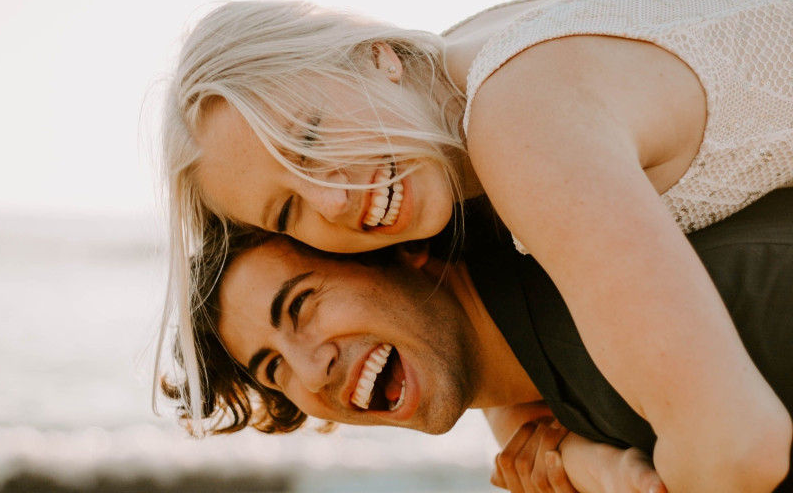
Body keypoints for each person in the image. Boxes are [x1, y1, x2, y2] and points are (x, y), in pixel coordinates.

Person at [157, 0, 793, 491]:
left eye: (311, 139)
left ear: (374, 55)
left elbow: (737, 451)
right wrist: (565, 447)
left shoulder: (519, 117)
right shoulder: (453, 91)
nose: (331, 199)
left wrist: (595, 470)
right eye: (288, 212)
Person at [161, 188, 793, 493]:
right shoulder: (565, 363)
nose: (312, 369)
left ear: (398, 247)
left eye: (303, 305)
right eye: (274, 371)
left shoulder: (645, 340)